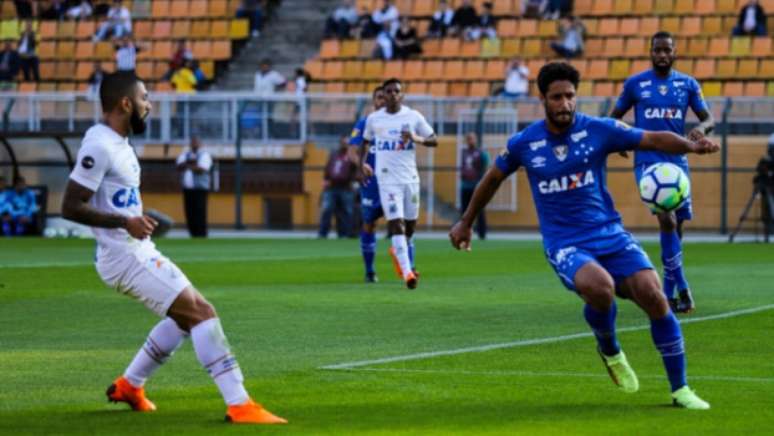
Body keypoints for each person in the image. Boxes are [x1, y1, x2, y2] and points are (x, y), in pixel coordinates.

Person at [450, 62, 718, 410]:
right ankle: (609, 347)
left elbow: (650, 137)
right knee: (601, 287)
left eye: (570, 96)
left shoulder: (598, 130)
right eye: (557, 97)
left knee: (655, 296)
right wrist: (466, 221)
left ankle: (681, 390)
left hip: (610, 233)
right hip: (565, 243)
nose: (565, 104)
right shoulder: (524, 143)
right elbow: (491, 178)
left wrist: (690, 147)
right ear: (542, 99)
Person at [61, 71, 286, 424]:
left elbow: (115, 199)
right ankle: (240, 403)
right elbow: (70, 206)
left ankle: (130, 386)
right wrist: (125, 222)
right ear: (125, 103)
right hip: (125, 256)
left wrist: (134, 218)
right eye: (144, 98)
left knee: (183, 319)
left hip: (136, 249)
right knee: (201, 312)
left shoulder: (116, 141)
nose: (149, 105)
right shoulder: (100, 144)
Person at [610, 31, 715, 314]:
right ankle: (680, 289)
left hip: (677, 162)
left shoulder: (687, 84)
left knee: (676, 227)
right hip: (647, 162)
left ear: (674, 52)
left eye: (667, 50)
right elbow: (614, 118)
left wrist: (701, 130)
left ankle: (670, 292)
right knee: (667, 220)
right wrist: (618, 140)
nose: (662, 55)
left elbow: (708, 117)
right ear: (650, 52)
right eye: (657, 50)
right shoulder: (635, 84)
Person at [361, 78, 437, 289]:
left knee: (410, 228)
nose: (393, 94)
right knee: (396, 224)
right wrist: (363, 164)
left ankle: (399, 250)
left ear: (401, 95)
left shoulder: (413, 116)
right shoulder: (374, 119)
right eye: (389, 91)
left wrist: (416, 138)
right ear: (383, 95)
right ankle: (407, 274)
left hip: (410, 179)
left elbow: (434, 139)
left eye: (397, 91)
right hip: (387, 181)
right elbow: (364, 142)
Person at [349, 86, 386, 282]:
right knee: (369, 223)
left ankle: (408, 268)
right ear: (374, 101)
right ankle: (370, 271)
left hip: (394, 180)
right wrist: (361, 164)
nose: (382, 100)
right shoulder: (364, 123)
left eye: (385, 96)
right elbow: (352, 151)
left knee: (403, 224)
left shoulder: (398, 124)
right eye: (378, 97)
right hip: (371, 182)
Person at [318, 136, 358, 239]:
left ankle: (345, 234)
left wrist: (353, 181)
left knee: (346, 212)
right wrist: (325, 179)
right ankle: (322, 234)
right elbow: (328, 168)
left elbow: (357, 170)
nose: (345, 145)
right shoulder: (334, 154)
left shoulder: (353, 156)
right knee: (327, 210)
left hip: (346, 187)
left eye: (347, 143)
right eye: (343, 143)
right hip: (331, 187)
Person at [176, 137, 212, 238]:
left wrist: (188, 165)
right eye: (192, 142)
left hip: (200, 189)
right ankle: (192, 233)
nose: (194, 144)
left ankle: (201, 234)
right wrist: (192, 165)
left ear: (200, 144)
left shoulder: (204, 155)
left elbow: (202, 169)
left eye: (196, 142)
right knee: (189, 212)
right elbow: (179, 166)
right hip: (188, 189)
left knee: (200, 211)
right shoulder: (185, 154)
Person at [459, 133, 489, 240]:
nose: (470, 141)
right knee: (464, 211)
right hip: (465, 186)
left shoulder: (481, 153)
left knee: (479, 210)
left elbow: (487, 165)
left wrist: (482, 181)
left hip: (477, 186)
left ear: (476, 140)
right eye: (468, 139)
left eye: (472, 139)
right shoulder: (464, 152)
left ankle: (482, 233)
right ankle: (463, 232)